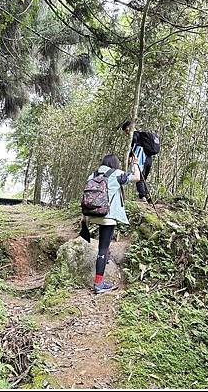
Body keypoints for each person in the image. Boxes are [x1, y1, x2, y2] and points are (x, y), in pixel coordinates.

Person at [85, 153, 141, 294]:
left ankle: (105, 258)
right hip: (107, 215)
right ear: (114, 164)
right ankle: (99, 284)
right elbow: (137, 177)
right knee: (102, 248)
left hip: (93, 213)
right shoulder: (116, 173)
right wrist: (135, 163)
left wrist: (84, 216)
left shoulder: (93, 175)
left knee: (103, 244)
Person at [121, 120, 158, 203]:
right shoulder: (142, 136)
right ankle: (147, 196)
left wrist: (130, 157)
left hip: (141, 158)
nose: (127, 133)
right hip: (148, 159)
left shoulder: (135, 135)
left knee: (138, 177)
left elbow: (134, 147)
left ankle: (142, 197)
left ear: (131, 128)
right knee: (143, 177)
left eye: (127, 130)